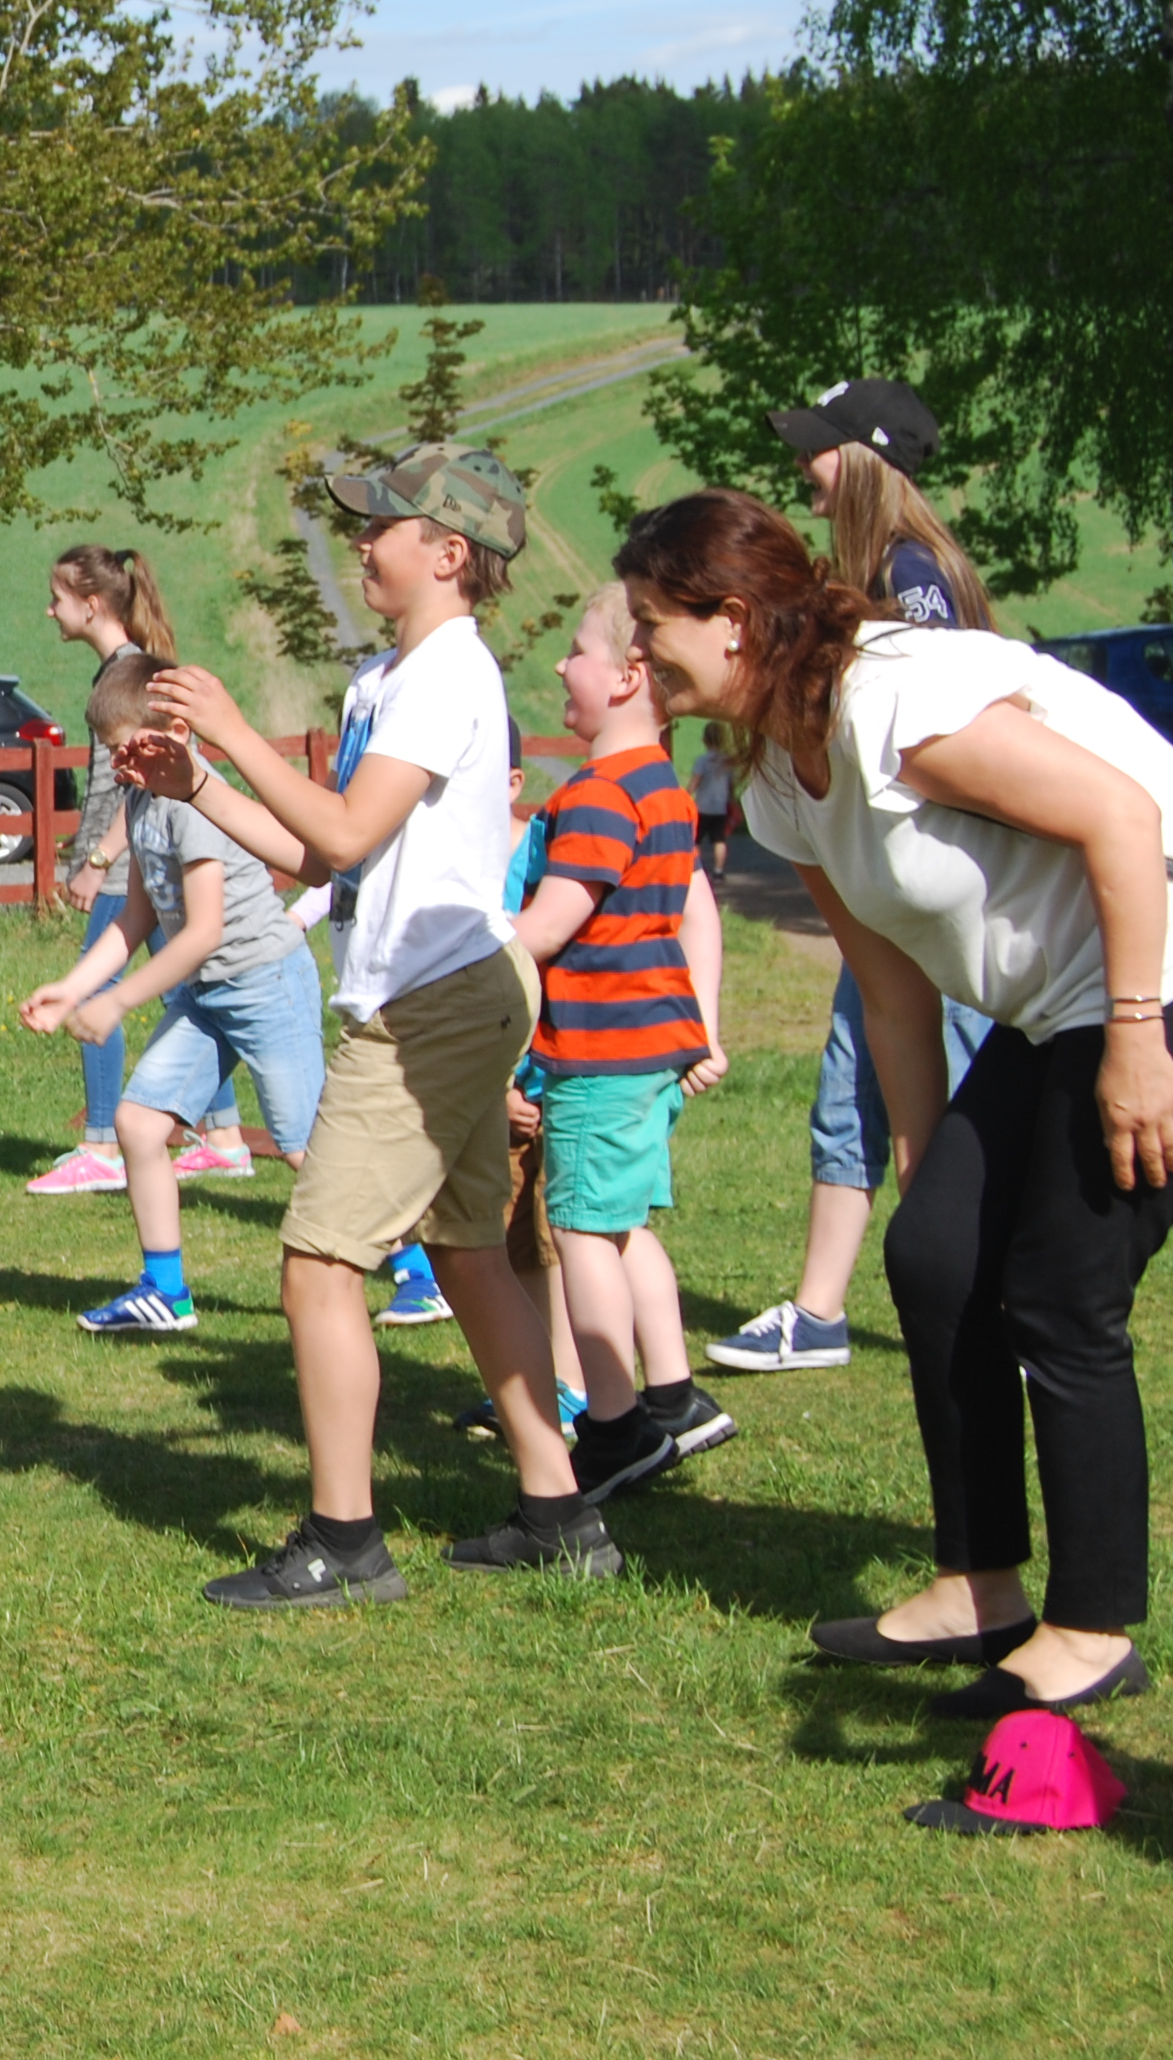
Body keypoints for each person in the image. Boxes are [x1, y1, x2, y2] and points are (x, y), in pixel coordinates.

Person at [618, 489, 1173, 1735]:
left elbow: (1123, 816)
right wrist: (930, 1166)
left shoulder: (892, 698)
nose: (634, 650)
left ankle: (1089, 1633)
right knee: (934, 1257)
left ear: (729, 620)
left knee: (1059, 1293)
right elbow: (889, 990)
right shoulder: (779, 774)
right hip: (1060, 1007)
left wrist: (1136, 1037)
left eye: (648, 622)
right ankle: (976, 1587)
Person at [136, 444, 613, 1606]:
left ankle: (343, 1544)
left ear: (447, 553)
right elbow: (322, 855)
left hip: (430, 1006)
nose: (358, 542)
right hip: (448, 993)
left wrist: (231, 730)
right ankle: (557, 1514)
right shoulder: (384, 681)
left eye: (379, 526)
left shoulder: (447, 674)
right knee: (463, 1249)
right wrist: (196, 784)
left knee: (316, 1265)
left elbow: (345, 831)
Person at [707, 382, 996, 1374]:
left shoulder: (912, 579)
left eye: (819, 449)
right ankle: (820, 1312)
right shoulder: (872, 570)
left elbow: (939, 733)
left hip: (935, 896)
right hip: (885, 893)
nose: (804, 466)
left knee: (953, 1104)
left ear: (869, 460)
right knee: (849, 1089)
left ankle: (985, 1308)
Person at [504, 587, 737, 1496]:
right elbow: (687, 912)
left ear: (629, 675)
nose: (561, 665)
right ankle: (671, 1397)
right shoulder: (663, 788)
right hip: (648, 1055)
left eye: (576, 651)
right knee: (621, 1221)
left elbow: (550, 924)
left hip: (599, 1056)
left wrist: (466, 949)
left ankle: (613, 1425)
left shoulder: (601, 793)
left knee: (580, 1229)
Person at [18, 649, 325, 1333]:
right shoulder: (141, 798)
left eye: (128, 750)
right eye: (111, 755)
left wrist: (118, 1000)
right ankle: (165, 1292)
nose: (121, 766)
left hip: (265, 985)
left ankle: (420, 1270)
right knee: (137, 1124)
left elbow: (203, 932)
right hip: (207, 996)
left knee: (305, 1148)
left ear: (177, 734)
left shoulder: (193, 803)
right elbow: (137, 916)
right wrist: (71, 989)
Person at [29, 547, 250, 1197]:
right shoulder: (121, 671)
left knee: (104, 983)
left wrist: (98, 859)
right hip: (140, 864)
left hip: (135, 864)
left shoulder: (129, 677)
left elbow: (152, 780)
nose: (50, 611)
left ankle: (102, 1144)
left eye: (58, 598)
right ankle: (225, 1137)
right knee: (189, 996)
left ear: (92, 603)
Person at [687, 724, 738, 884]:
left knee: (696, 840)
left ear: (705, 739)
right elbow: (731, 785)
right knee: (719, 840)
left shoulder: (702, 761)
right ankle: (718, 871)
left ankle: (697, 869)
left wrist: (686, 794)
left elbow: (695, 782)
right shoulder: (728, 761)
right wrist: (732, 800)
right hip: (720, 806)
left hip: (702, 806)